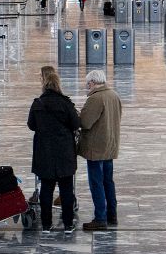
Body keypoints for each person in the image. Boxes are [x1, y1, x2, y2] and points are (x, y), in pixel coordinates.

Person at [27, 66, 82, 231]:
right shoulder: (66, 103)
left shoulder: (38, 103)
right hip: (64, 152)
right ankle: (68, 224)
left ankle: (46, 224)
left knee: (46, 189)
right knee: (66, 189)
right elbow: (76, 124)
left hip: (44, 152)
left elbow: (31, 125)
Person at [76, 69, 122, 231]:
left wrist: (78, 115)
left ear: (92, 83)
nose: (87, 87)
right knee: (108, 181)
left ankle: (100, 217)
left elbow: (86, 122)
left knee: (96, 182)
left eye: (88, 84)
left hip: (96, 148)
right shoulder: (113, 95)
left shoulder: (96, 98)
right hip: (110, 144)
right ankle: (112, 214)